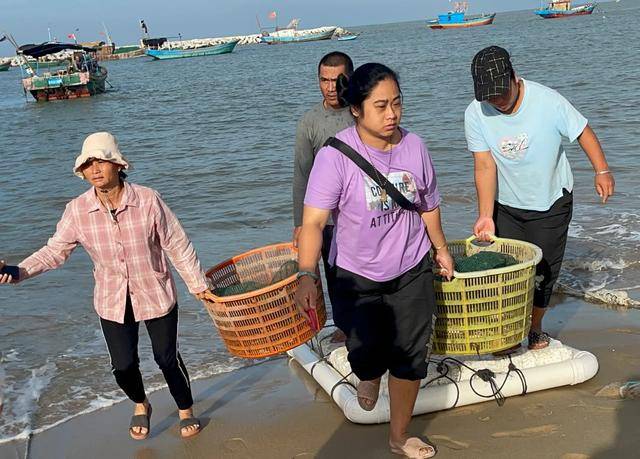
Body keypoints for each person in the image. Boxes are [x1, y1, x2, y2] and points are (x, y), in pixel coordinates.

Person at [0, 132, 216, 440]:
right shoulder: (77, 210)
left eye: (101, 161)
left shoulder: (147, 200)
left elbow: (176, 243)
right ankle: (141, 404)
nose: (95, 169)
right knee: (123, 365)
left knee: (165, 358)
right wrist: (18, 271)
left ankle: (185, 409)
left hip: (154, 289)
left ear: (117, 164)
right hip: (112, 298)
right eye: (88, 164)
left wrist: (198, 284)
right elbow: (54, 251)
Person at [295, 63, 453, 458]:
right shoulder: (334, 157)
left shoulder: (414, 146)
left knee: (411, 354)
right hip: (356, 274)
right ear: (356, 109)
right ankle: (366, 372)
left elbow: (427, 204)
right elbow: (314, 222)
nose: (392, 114)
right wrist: (305, 273)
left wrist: (441, 248)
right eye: (381, 105)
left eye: (397, 103)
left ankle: (399, 436)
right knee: (366, 350)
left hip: (411, 265)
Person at [464, 46, 615, 349]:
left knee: (543, 273)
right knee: (503, 269)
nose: (496, 102)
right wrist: (484, 214)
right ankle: (505, 331)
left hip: (551, 202)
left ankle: (534, 328)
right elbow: (484, 164)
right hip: (505, 205)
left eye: (500, 94)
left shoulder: (547, 101)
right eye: (489, 97)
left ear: (514, 77)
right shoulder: (475, 113)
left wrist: (601, 170)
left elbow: (582, 130)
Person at [292, 51, 354, 336]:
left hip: (360, 213)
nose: (331, 87)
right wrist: (300, 224)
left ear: (350, 78)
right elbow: (302, 173)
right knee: (333, 275)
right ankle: (342, 325)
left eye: (337, 80)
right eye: (324, 80)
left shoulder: (362, 112)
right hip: (325, 218)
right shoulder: (310, 122)